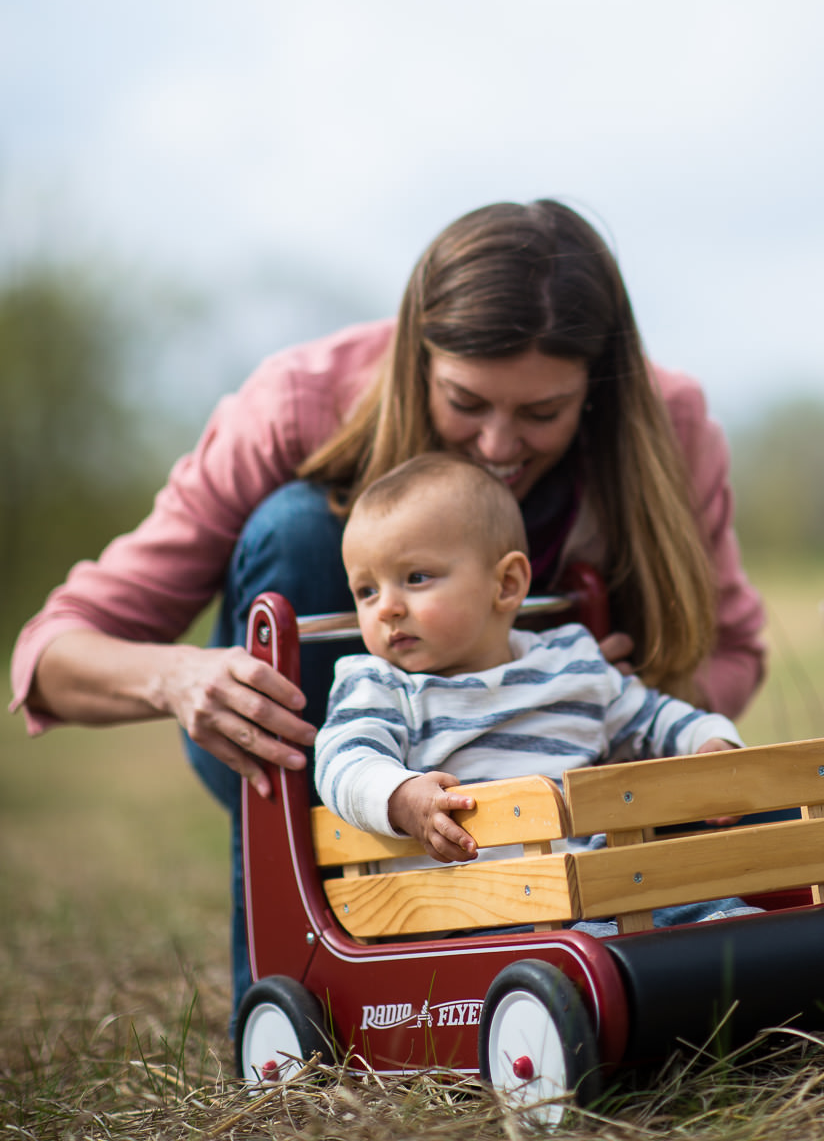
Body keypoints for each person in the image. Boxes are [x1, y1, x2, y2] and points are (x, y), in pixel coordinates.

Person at [10, 199, 767, 1008]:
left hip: (552, 764)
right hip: (333, 748)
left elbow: (732, 650)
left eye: (543, 413)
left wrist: (619, 696)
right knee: (300, 527)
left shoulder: (669, 423)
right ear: (419, 358)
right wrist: (179, 679)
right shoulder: (298, 401)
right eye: (467, 403)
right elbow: (47, 656)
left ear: (597, 392)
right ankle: (314, 978)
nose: (500, 446)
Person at [317, 452, 755, 931]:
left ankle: (739, 944)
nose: (387, 609)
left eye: (415, 578)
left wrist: (708, 743)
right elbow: (343, 759)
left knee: (699, 899)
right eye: (366, 592)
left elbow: (651, 718)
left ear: (506, 584)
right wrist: (400, 796)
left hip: (602, 880)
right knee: (600, 940)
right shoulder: (382, 685)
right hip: (480, 900)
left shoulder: (570, 663)